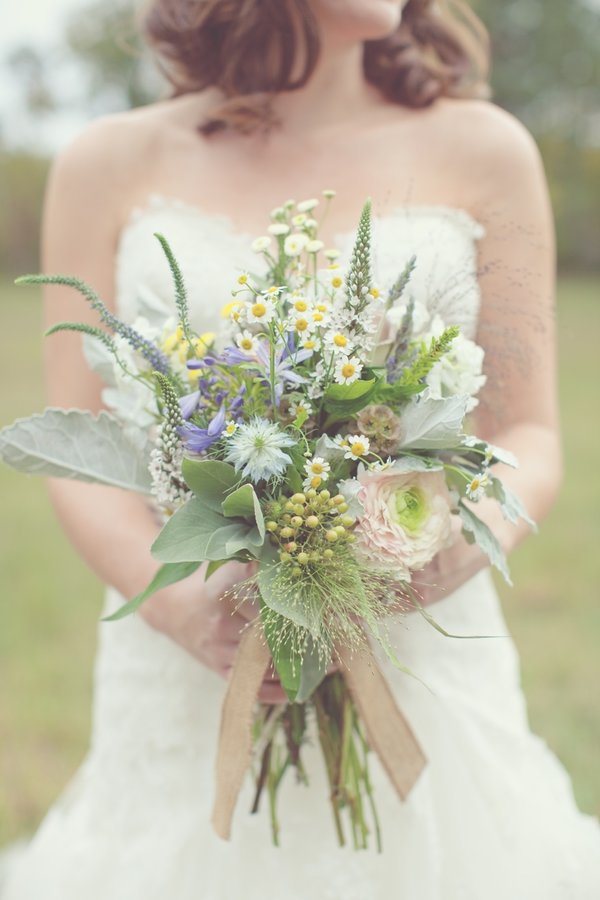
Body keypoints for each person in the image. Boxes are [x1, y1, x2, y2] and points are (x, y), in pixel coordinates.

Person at [2, 0, 600, 897]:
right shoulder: (106, 161)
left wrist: (447, 547)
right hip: (183, 659)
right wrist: (189, 615)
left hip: (421, 655)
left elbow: (532, 433)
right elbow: (75, 457)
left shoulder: (488, 147)